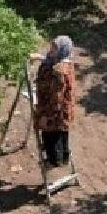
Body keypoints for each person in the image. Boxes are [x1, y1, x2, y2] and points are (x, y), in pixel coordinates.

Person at [33, 36, 76, 168]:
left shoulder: (59, 71)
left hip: (54, 111)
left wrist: (47, 116)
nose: (51, 49)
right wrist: (40, 57)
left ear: (61, 50)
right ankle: (63, 157)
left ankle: (54, 161)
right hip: (63, 110)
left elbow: (56, 98)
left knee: (51, 135)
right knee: (62, 133)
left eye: (55, 47)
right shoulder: (65, 62)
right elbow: (51, 61)